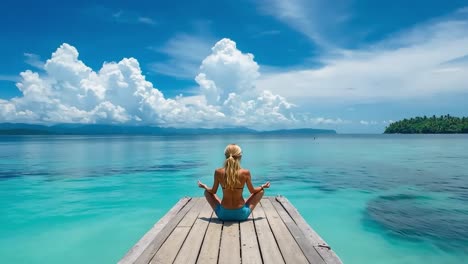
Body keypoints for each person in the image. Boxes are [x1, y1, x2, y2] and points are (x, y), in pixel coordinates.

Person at [197, 144, 270, 221]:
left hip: (223, 215)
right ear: (240, 156)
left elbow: (213, 191)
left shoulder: (218, 172)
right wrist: (262, 186)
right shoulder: (245, 172)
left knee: (207, 192)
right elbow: (252, 191)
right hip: (241, 214)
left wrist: (205, 186)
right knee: (260, 191)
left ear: (225, 156)